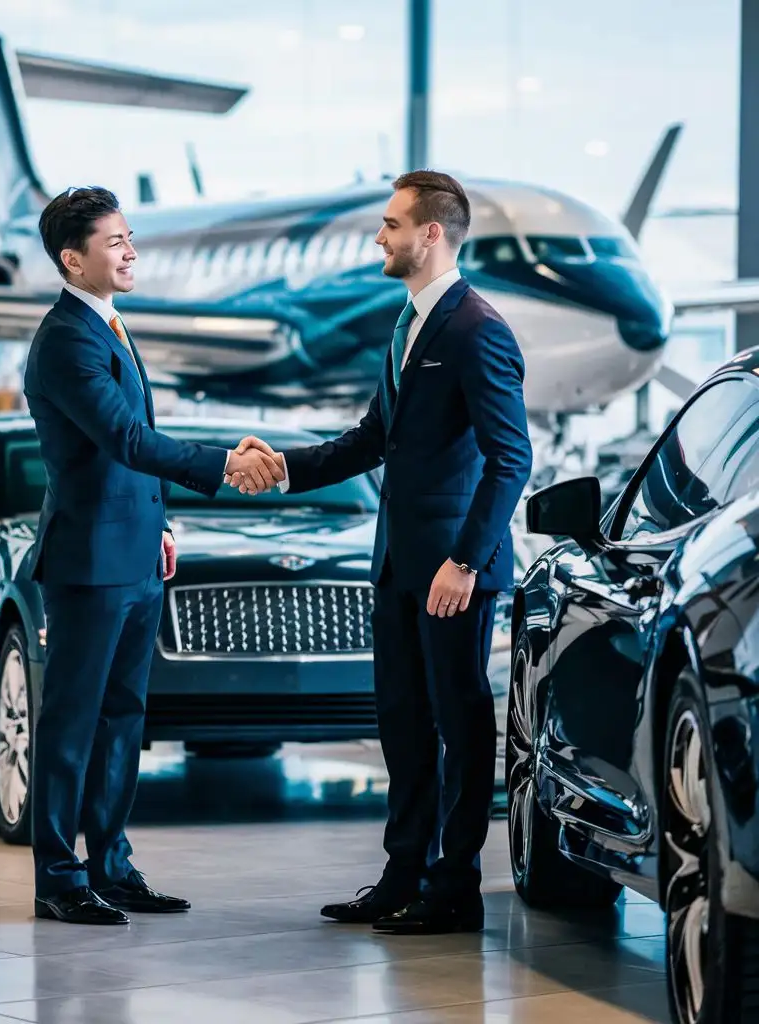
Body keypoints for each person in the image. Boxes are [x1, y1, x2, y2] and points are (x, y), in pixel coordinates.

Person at [228, 171, 533, 935]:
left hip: (450, 573)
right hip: (398, 562)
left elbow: (512, 459)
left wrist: (465, 561)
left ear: (431, 234)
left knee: (459, 727)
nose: (380, 237)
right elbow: (373, 440)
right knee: (401, 721)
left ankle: (453, 886)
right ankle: (402, 876)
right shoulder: (411, 325)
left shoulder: (477, 329)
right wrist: (286, 467)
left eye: (392, 224)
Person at [24, 186, 284, 925]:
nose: (131, 251)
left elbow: (127, 450)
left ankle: (110, 864)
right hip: (90, 560)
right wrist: (222, 463)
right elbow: (126, 439)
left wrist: (161, 521)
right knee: (72, 723)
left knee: (122, 718)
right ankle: (59, 877)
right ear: (73, 259)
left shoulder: (109, 325)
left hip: (135, 551)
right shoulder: (69, 339)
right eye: (114, 242)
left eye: (130, 237)